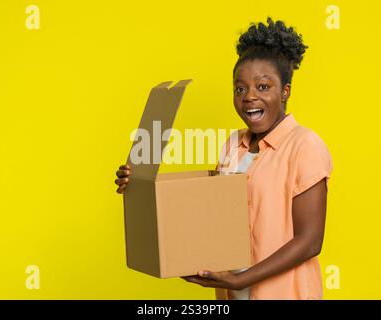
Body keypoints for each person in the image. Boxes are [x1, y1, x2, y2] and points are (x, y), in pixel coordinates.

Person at [115, 17, 333, 300]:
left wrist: (239, 279)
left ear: (285, 92)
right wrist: (140, 186)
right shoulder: (233, 145)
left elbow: (309, 242)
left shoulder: (305, 146)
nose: (249, 97)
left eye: (263, 87)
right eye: (240, 89)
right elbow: (208, 208)